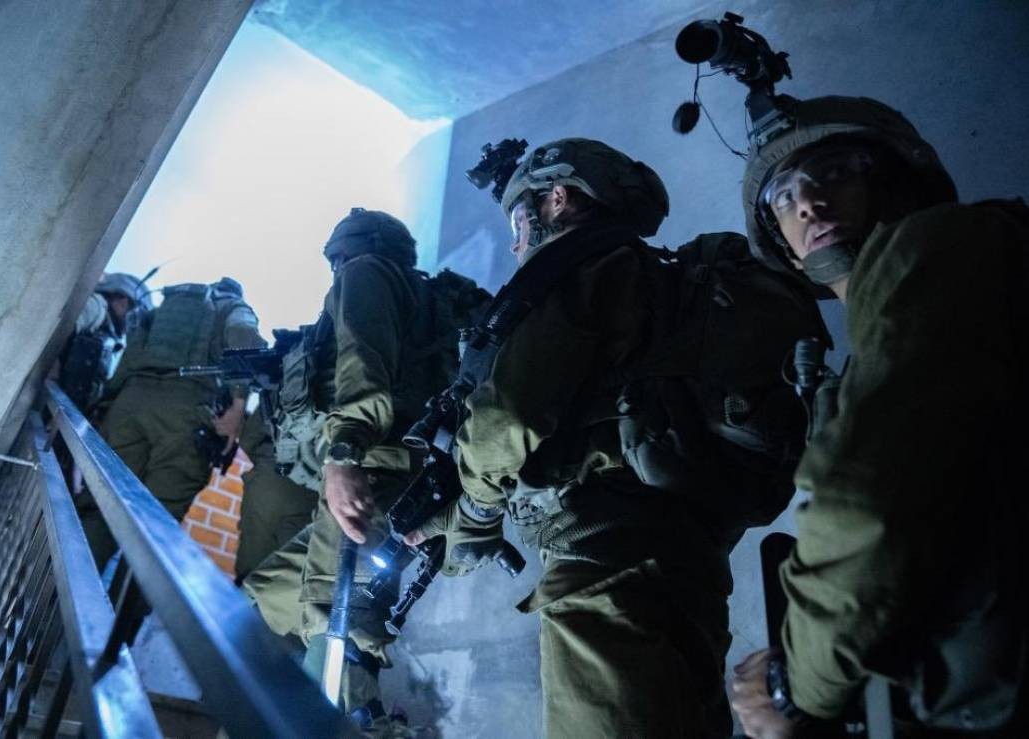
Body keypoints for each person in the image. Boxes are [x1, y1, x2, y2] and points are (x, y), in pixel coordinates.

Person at [403, 138, 823, 737]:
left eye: (517, 224)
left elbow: (511, 413)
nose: (517, 245)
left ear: (557, 198)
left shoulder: (582, 264)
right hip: (688, 563)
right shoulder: (657, 279)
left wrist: (474, 511)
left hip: (605, 564)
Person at [729, 95, 1028, 737]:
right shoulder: (901, 309)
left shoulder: (938, 244)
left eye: (834, 172)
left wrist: (793, 686)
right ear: (783, 247)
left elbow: (863, 501)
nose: (807, 204)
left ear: (895, 180)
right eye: (783, 198)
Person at [242, 208, 489, 727]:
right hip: (410, 475)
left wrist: (345, 452)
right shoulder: (429, 298)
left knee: (339, 626)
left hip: (374, 466)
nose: (336, 270)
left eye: (337, 259)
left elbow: (363, 361)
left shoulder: (367, 271)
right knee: (265, 599)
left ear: (351, 250)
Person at [81, 276, 265, 570]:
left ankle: (59, 597)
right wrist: (239, 405)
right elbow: (244, 336)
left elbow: (129, 357)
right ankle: (125, 601)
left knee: (101, 506)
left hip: (130, 405)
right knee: (157, 526)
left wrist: (107, 404)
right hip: (186, 414)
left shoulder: (165, 308)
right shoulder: (234, 307)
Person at [233, 408, 318, 583]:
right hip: (319, 491)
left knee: (251, 577)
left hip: (276, 472)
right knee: (290, 581)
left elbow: (250, 437)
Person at [56, 271, 148, 414]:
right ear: (123, 300)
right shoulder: (98, 306)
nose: (133, 319)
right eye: (133, 309)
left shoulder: (115, 338)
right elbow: (59, 329)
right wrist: (51, 366)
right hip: (51, 395)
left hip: (68, 406)